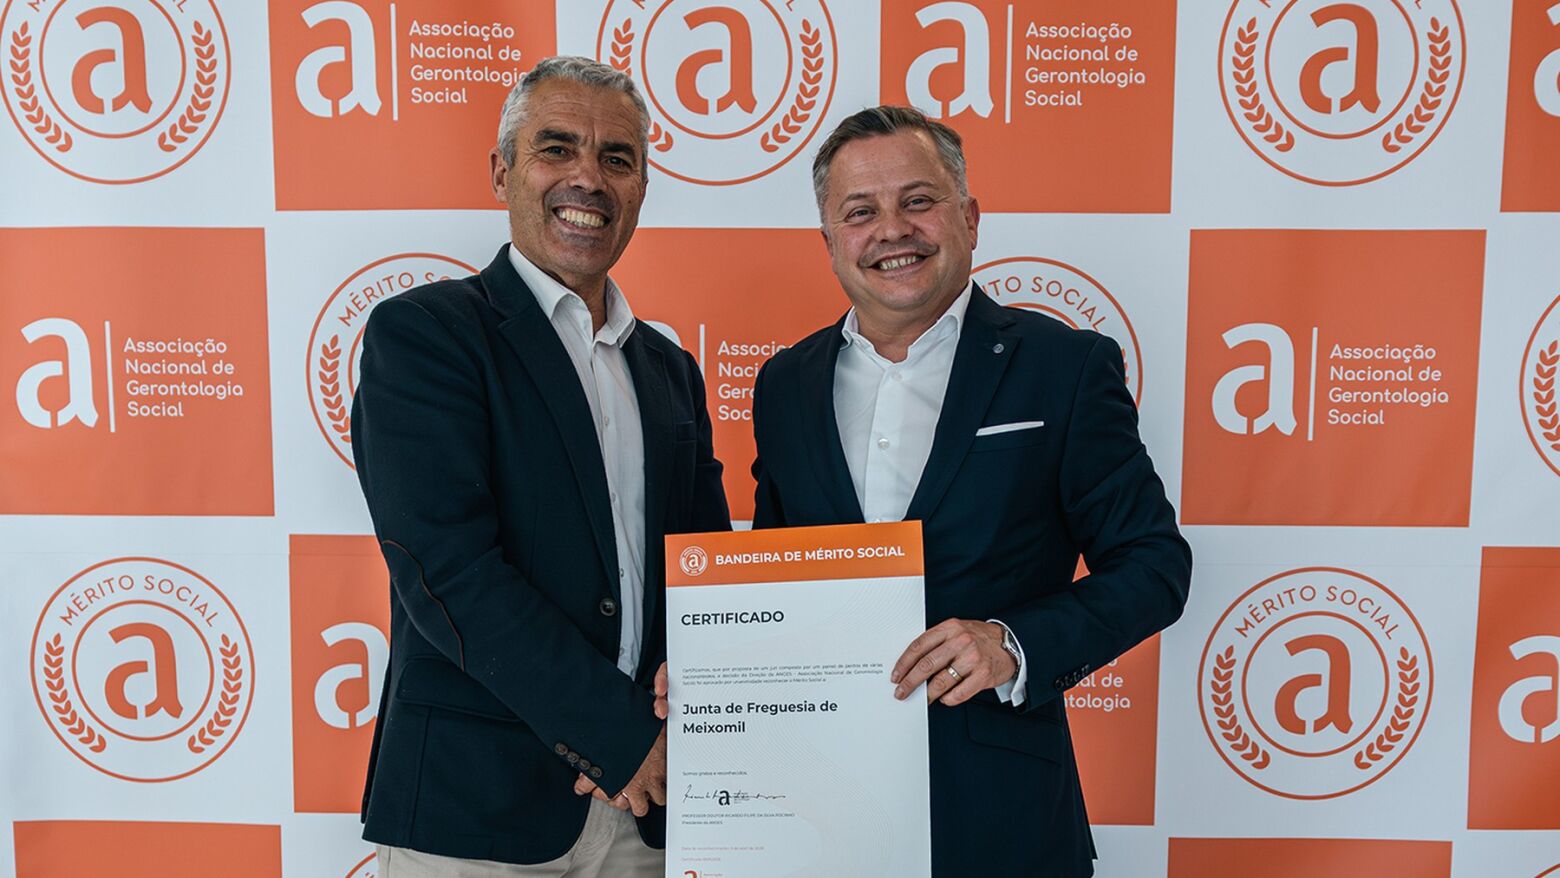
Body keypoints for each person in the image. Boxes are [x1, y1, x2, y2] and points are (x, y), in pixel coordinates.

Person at [746, 106, 1192, 876]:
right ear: (830, 243)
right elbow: (777, 575)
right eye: (862, 212)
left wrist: (1012, 645)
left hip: (1002, 815)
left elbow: (1154, 567)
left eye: (918, 200)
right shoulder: (786, 384)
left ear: (970, 217)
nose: (893, 229)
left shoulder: (1066, 366)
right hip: (818, 815)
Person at [350, 56, 730, 877]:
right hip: (477, 810)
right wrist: (621, 740)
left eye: (617, 158)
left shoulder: (671, 371)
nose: (588, 178)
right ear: (502, 173)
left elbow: (703, 577)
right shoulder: (426, 337)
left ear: (640, 188)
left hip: (646, 814)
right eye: (557, 148)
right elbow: (447, 570)